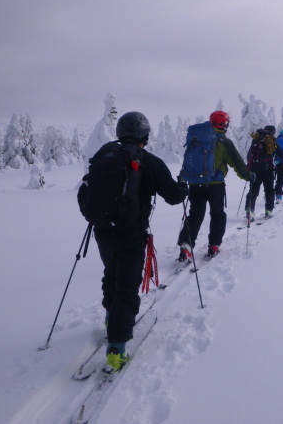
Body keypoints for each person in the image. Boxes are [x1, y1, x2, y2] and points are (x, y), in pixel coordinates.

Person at [79, 111, 187, 372]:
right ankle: (116, 348)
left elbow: (86, 190)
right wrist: (183, 187)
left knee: (112, 274)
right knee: (128, 286)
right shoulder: (149, 161)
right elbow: (173, 196)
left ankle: (110, 317)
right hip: (132, 231)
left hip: (103, 230)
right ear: (145, 135)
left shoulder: (104, 155)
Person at [177, 110, 253, 260]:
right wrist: (248, 176)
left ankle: (186, 245)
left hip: (195, 183)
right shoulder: (224, 142)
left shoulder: (197, 138)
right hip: (215, 185)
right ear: (225, 124)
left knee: (195, 214)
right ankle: (214, 245)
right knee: (217, 214)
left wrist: (184, 178)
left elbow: (189, 160)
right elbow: (237, 163)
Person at [245, 125, 276, 220]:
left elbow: (249, 154)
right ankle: (269, 210)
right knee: (269, 190)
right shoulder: (270, 140)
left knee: (253, 190)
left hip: (254, 169)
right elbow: (274, 153)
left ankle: (249, 210)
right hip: (268, 169)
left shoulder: (256, 139)